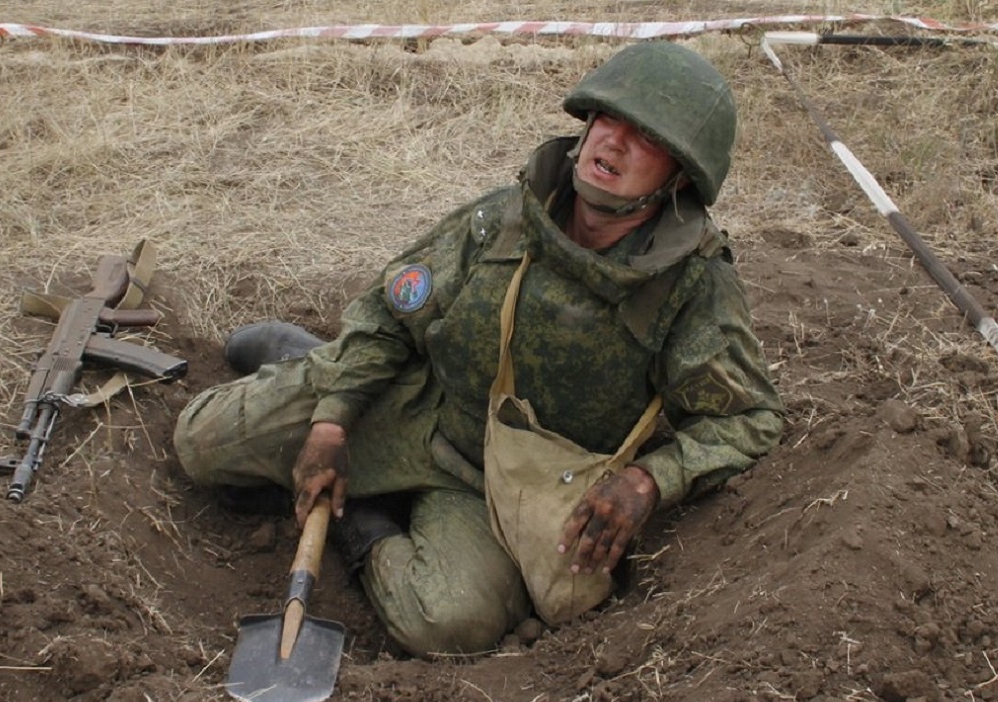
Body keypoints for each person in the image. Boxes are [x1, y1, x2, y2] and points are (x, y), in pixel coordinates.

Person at [174, 40, 784, 657]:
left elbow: (750, 418)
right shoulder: (506, 220)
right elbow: (392, 312)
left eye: (645, 137)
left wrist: (649, 480)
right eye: (607, 120)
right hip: (412, 400)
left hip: (498, 487)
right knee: (200, 443)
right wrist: (333, 423)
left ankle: (362, 515)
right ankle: (300, 356)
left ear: (679, 175)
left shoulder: (692, 288)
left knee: (445, 622)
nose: (613, 143)